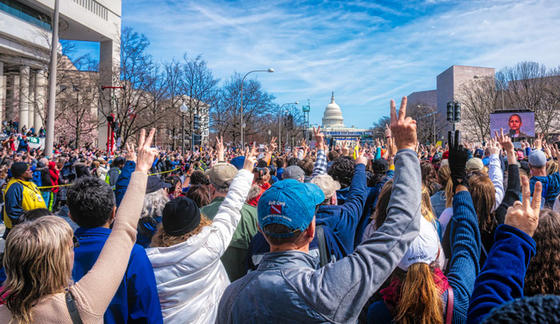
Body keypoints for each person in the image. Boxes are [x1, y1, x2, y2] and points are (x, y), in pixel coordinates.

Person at [217, 97, 422, 323]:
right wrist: (406, 151)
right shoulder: (330, 289)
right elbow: (402, 226)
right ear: (311, 228)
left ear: (261, 230)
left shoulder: (231, 295)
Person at [0, 128, 157, 323]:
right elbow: (124, 232)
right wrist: (141, 169)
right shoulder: (78, 307)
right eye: (70, 246)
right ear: (58, 262)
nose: (74, 250)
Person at [146, 148, 256, 324]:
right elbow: (231, 207)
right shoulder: (209, 247)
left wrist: (139, 171)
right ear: (199, 222)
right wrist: (246, 171)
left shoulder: (147, 261)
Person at [68, 175, 163, 324]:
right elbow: (148, 314)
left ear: (71, 216)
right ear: (114, 213)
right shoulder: (132, 253)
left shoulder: (55, 253)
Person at [467, 176, 543, 323]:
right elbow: (511, 190)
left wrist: (516, 238)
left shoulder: (455, 221)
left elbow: (490, 306)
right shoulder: (499, 215)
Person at [200, 162, 258, 281]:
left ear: (211, 188)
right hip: (244, 287)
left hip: (210, 289)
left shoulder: (199, 215)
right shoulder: (254, 214)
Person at [2, 162, 46, 238]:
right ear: (21, 173)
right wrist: (28, 222)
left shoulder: (30, 184)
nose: (31, 171)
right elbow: (13, 211)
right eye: (28, 170)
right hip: (24, 230)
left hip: (36, 225)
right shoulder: (14, 187)